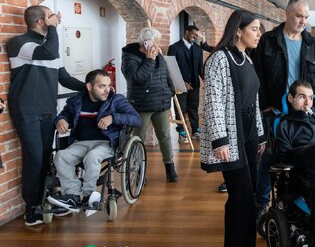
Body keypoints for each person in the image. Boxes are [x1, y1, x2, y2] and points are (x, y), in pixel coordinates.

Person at [201, 9, 265, 247]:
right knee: (242, 199)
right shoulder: (219, 59)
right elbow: (213, 101)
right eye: (255, 29)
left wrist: (260, 134)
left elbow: (254, 100)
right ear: (238, 30)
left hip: (249, 135)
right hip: (231, 137)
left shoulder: (246, 58)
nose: (259, 34)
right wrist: (220, 140)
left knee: (244, 198)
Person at [8, 5, 86, 226]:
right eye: (51, 16)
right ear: (41, 21)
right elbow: (49, 52)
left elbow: (65, 78)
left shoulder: (49, 46)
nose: (57, 19)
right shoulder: (20, 43)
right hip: (26, 110)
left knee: (44, 157)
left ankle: (46, 200)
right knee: (34, 158)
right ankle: (32, 208)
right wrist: (53, 29)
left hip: (47, 110)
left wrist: (90, 88)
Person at [252, 0, 315, 213]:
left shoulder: (313, 44)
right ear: (287, 13)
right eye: (299, 16)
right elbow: (258, 75)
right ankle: (261, 205)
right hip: (274, 111)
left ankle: (295, 203)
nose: (303, 21)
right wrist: (264, 104)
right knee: (267, 159)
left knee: (302, 159)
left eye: (306, 17)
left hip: (303, 113)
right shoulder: (268, 40)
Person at [47, 70, 141, 211]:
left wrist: (113, 118)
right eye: (102, 86)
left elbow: (136, 119)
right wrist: (60, 120)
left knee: (92, 156)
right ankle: (72, 195)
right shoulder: (76, 101)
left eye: (108, 85)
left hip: (106, 143)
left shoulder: (116, 100)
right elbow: (63, 115)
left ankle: (88, 195)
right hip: (80, 143)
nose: (107, 90)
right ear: (89, 86)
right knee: (60, 156)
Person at [121, 27, 178, 182]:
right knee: (138, 138)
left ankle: (170, 168)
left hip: (160, 101)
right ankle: (138, 170)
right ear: (146, 43)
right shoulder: (130, 57)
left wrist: (170, 91)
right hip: (142, 104)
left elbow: (165, 75)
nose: (159, 45)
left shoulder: (158, 55)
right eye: (156, 42)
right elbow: (136, 78)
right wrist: (149, 59)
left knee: (164, 136)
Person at [167, 25, 214, 144]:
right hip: (180, 85)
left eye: (197, 35)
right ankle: (182, 133)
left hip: (194, 84)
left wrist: (206, 80)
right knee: (181, 109)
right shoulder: (174, 47)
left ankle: (195, 131)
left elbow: (199, 68)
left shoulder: (198, 49)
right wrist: (181, 82)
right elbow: (170, 68)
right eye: (193, 34)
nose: (195, 36)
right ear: (186, 32)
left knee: (193, 108)